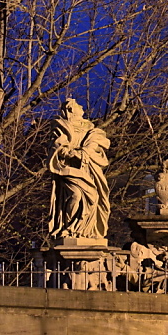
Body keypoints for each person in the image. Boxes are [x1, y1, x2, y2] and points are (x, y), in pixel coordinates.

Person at [48, 99, 111, 240]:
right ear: (71, 110)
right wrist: (68, 152)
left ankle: (84, 231)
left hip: (89, 168)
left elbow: (98, 143)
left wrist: (86, 151)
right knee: (75, 195)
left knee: (93, 198)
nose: (81, 106)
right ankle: (69, 228)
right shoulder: (61, 126)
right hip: (69, 168)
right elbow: (56, 146)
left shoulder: (90, 127)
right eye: (78, 104)